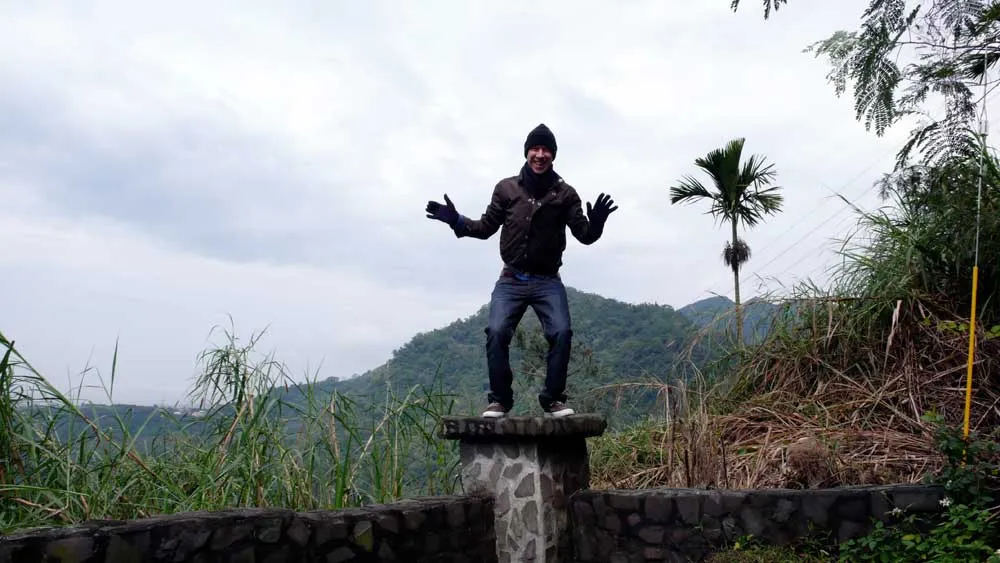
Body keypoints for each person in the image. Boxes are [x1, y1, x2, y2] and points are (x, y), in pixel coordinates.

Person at [424, 123, 618, 418]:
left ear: (553, 155)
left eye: (546, 150)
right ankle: (500, 400)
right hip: (511, 278)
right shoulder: (507, 189)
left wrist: (598, 222)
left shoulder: (565, 194)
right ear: (527, 152)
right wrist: (456, 220)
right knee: (497, 332)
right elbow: (485, 227)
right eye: (535, 149)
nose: (540, 155)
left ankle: (553, 399)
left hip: (547, 281)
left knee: (561, 332)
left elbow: (585, 235)